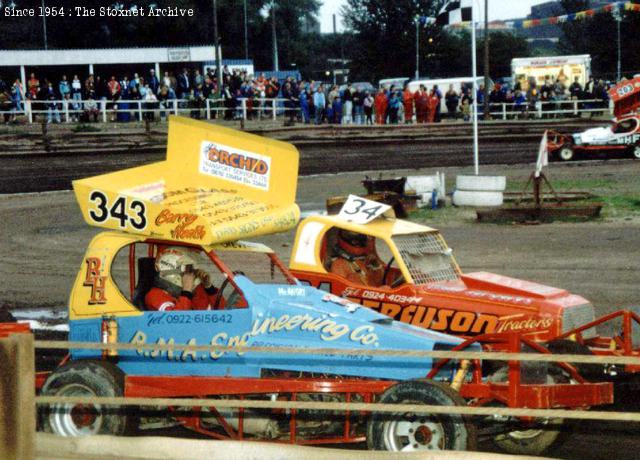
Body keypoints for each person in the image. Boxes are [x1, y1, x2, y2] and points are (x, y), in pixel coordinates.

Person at [145, 247, 221, 311]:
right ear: (171, 267)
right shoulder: (155, 296)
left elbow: (224, 312)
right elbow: (176, 322)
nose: (193, 272)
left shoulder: (196, 290)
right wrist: (186, 291)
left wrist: (210, 288)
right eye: (189, 268)